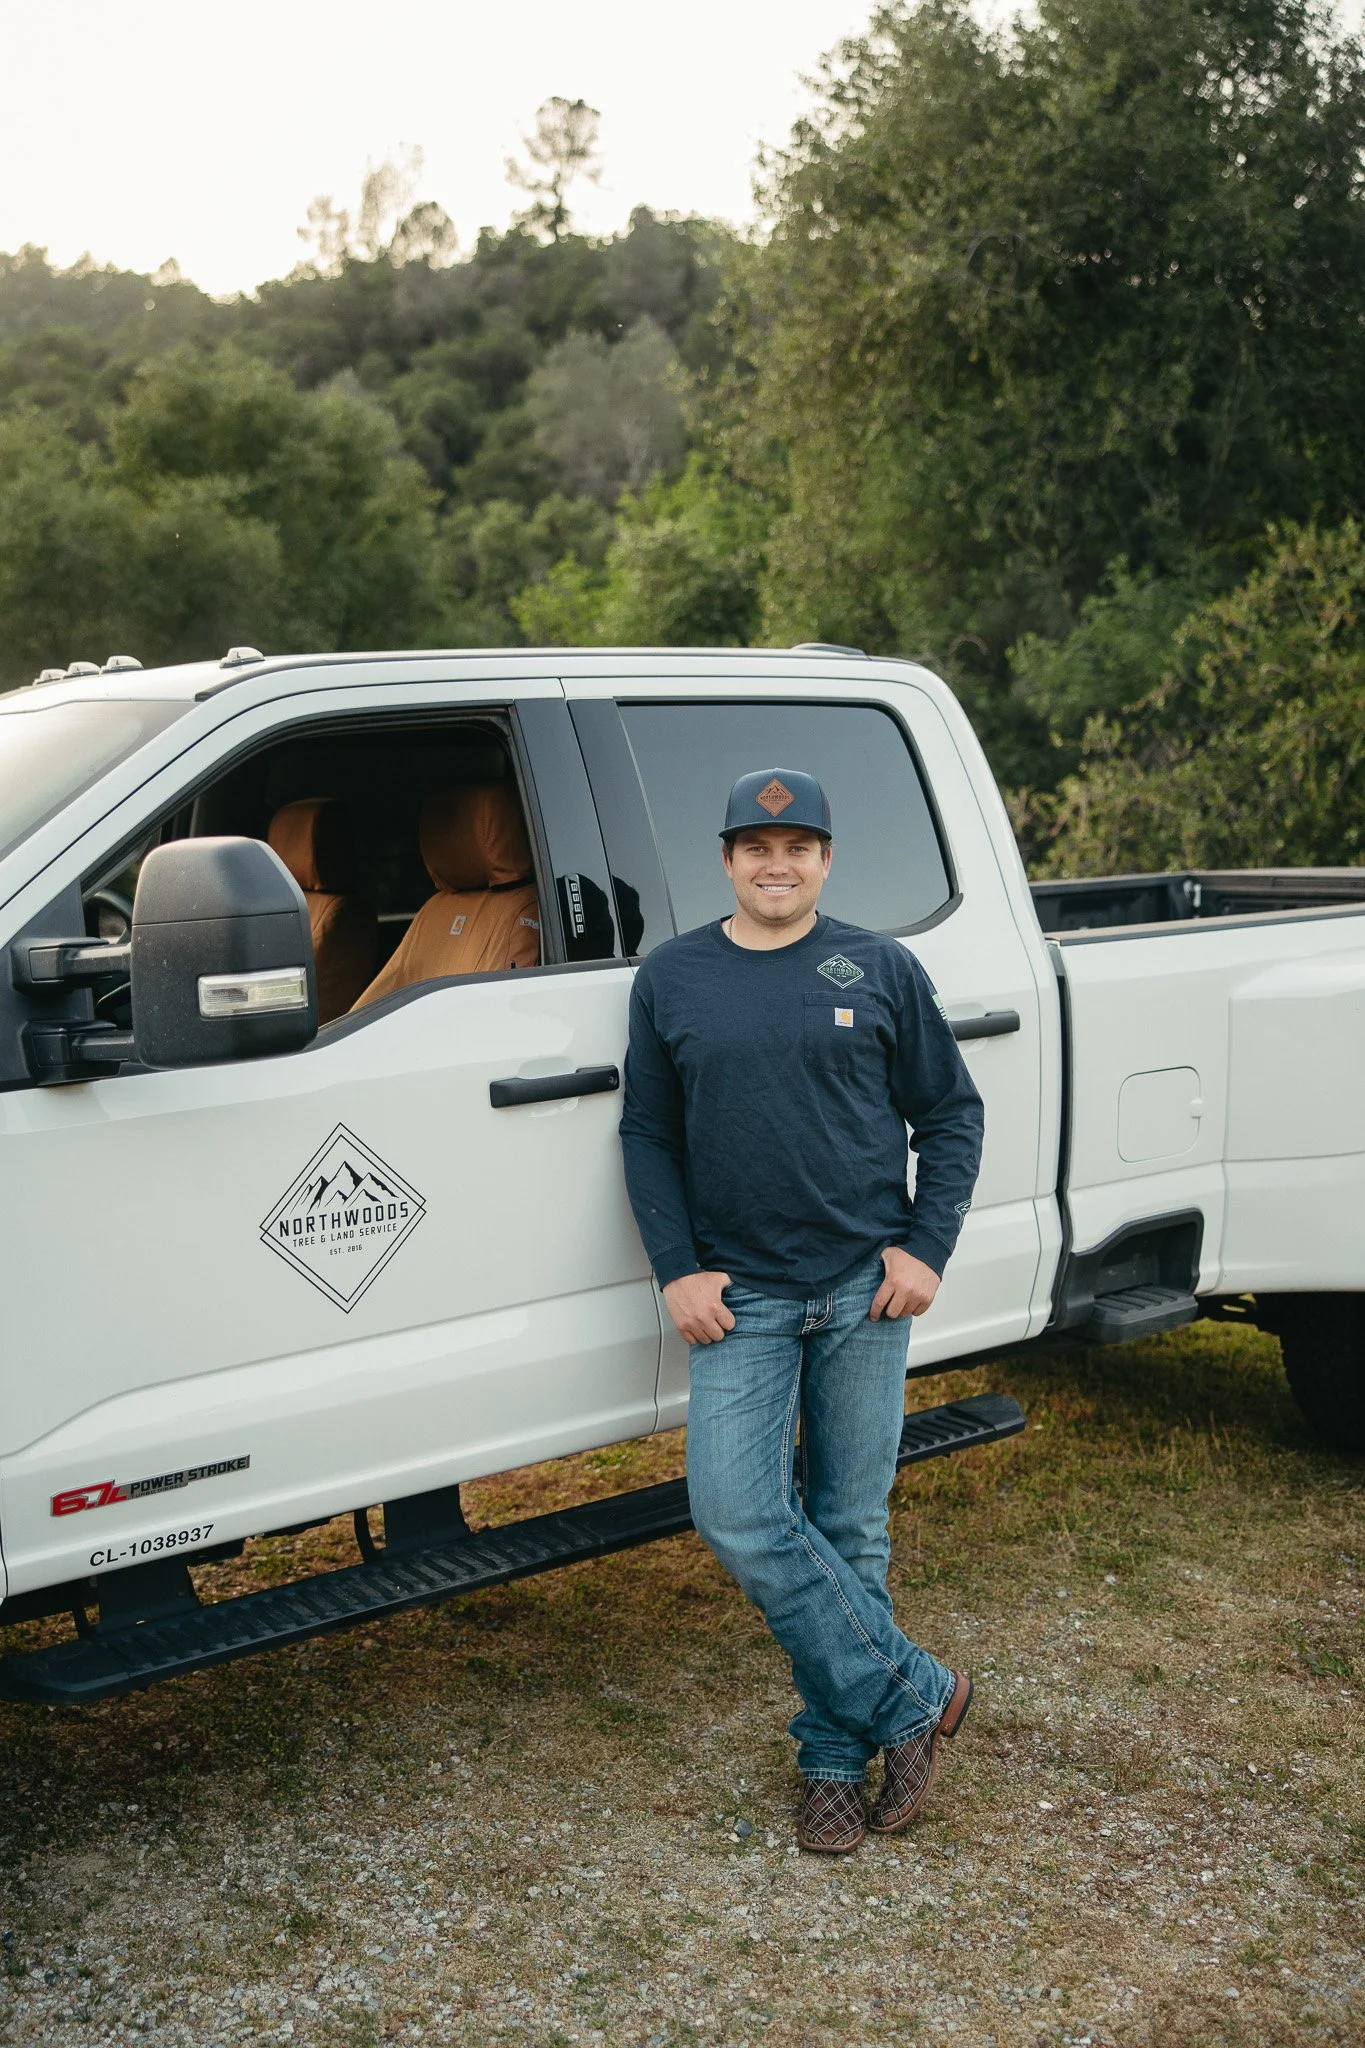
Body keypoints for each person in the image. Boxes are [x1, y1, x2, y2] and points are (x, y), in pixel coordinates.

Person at [619, 768, 985, 1854]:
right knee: (736, 1508)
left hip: (865, 1291)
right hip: (743, 1294)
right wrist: (675, 1265)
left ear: (827, 859)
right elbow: (648, 1132)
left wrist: (927, 1245)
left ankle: (832, 1759)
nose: (777, 864)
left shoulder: (879, 966)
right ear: (726, 859)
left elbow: (951, 1112)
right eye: (755, 846)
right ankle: (916, 1691)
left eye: (799, 846)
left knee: (850, 1526)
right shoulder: (673, 976)